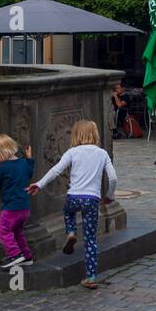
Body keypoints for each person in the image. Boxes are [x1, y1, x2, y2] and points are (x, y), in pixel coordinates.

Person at [27, 120, 117, 289]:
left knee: (68, 213)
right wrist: (109, 195)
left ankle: (71, 232)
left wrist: (39, 184)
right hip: (92, 200)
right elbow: (113, 178)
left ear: (75, 135)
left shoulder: (72, 152)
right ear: (95, 134)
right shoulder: (102, 154)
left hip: (74, 196)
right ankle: (90, 277)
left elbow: (56, 170)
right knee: (90, 240)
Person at [0, 135, 35, 269]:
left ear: (3, 153)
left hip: (11, 208)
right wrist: (29, 159)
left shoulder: (3, 168)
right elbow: (30, 173)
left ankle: (14, 254)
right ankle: (27, 256)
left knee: (3, 231)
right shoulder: (23, 163)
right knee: (18, 232)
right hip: (25, 208)